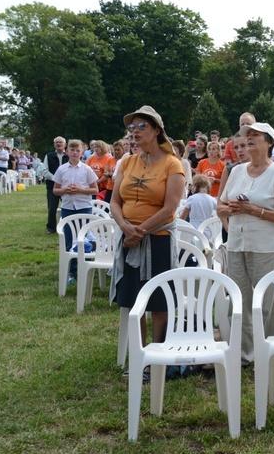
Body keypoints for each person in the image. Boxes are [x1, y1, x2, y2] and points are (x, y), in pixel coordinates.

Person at [110, 105, 185, 378]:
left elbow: (170, 208)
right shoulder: (127, 162)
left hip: (158, 241)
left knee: (158, 302)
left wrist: (138, 231)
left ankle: (158, 359)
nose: (135, 132)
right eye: (132, 128)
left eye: (142, 126)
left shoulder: (171, 163)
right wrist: (124, 228)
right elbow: (115, 201)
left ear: (156, 131)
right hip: (129, 239)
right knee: (133, 301)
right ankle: (140, 358)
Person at [216, 122, 274, 367]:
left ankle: (269, 350)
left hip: (266, 247)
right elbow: (219, 207)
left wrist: (253, 210)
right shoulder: (237, 171)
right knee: (239, 301)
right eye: (246, 136)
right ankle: (243, 354)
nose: (248, 140)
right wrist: (229, 211)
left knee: (266, 302)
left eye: (254, 136)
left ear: (268, 142)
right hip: (237, 244)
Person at [52, 139, 99, 284]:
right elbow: (55, 190)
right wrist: (65, 190)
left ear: (82, 152)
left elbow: (95, 189)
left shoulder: (87, 169)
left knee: (84, 239)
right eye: (72, 150)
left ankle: (84, 267)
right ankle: (72, 271)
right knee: (69, 240)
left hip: (83, 207)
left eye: (77, 150)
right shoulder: (62, 169)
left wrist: (80, 190)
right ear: (67, 151)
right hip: (67, 208)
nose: (74, 153)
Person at [42, 137, 69, 234]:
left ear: (65, 145)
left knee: (68, 206)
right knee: (52, 208)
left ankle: (67, 226)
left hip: (66, 186)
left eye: (61, 142)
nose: (59, 144)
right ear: (54, 145)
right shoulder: (49, 156)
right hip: (52, 186)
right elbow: (45, 171)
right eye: (56, 142)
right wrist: (56, 179)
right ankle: (51, 228)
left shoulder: (69, 156)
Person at [180, 174, 217, 239]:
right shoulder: (212, 199)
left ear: (195, 186)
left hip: (192, 229)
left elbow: (183, 216)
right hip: (207, 230)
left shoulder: (192, 198)